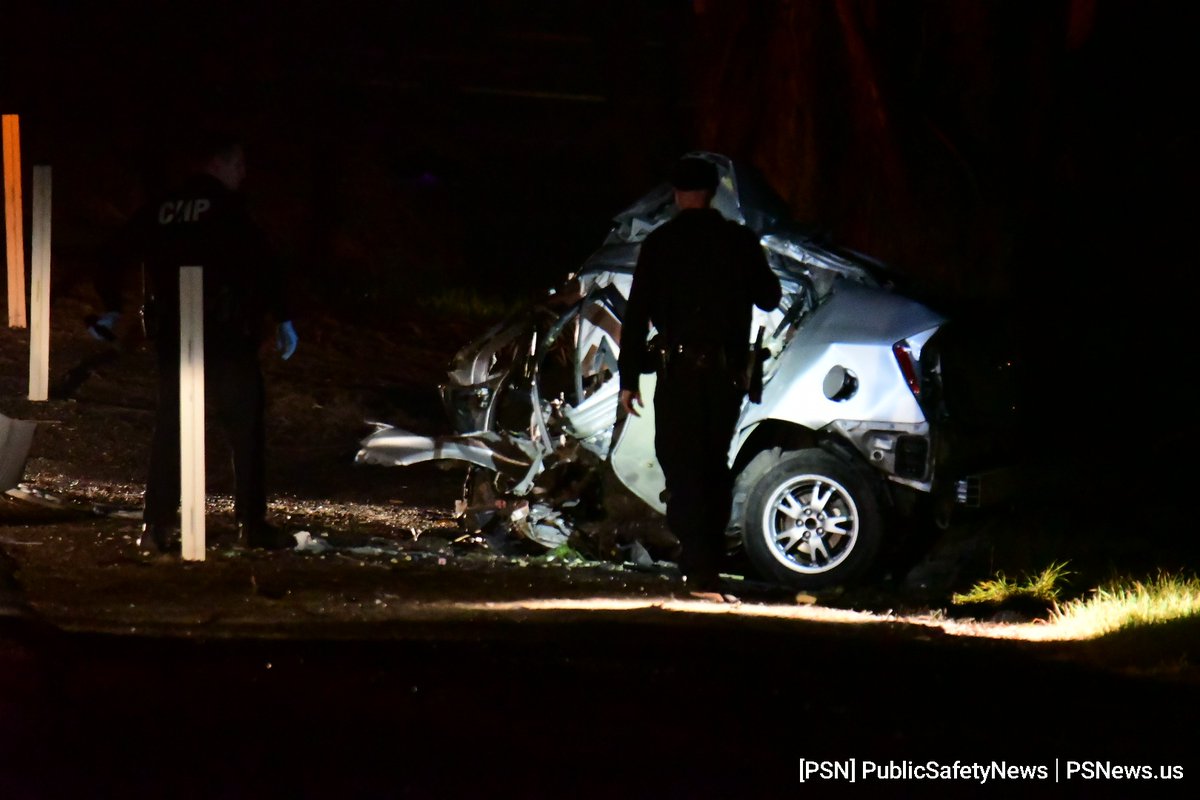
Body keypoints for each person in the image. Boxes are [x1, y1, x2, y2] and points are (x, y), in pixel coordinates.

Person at [97, 133, 298, 553]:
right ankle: (250, 524)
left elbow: (113, 252)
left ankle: (156, 525)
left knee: (170, 426)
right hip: (225, 335)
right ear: (218, 164)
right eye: (239, 164)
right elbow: (264, 264)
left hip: (174, 333)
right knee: (243, 428)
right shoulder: (229, 210)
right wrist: (282, 317)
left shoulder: (162, 209)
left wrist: (111, 306)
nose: (244, 173)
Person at [618, 156, 781, 594]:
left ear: (676, 194)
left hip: (679, 372)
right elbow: (770, 297)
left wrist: (628, 380)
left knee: (681, 464)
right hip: (726, 376)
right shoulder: (738, 241)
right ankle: (703, 562)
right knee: (713, 466)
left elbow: (635, 318)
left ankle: (699, 565)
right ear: (712, 193)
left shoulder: (661, 243)